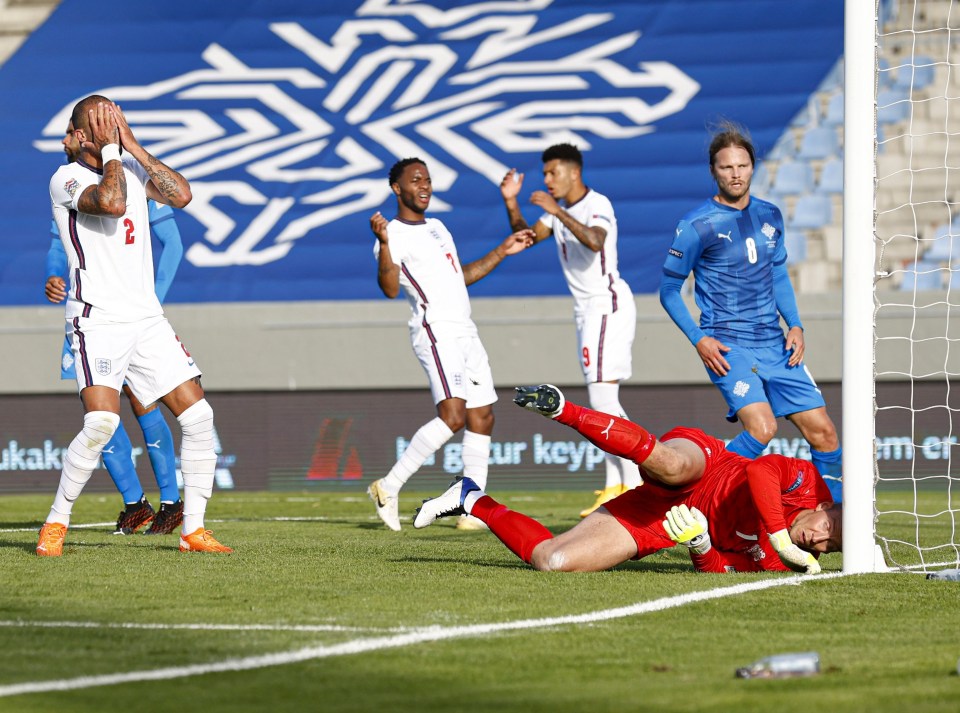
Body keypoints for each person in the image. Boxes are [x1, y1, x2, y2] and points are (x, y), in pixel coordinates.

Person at [37, 94, 230, 556]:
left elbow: (183, 195)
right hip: (96, 318)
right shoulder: (65, 177)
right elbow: (111, 201)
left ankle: (193, 530)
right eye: (102, 123)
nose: (111, 128)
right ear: (84, 135)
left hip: (145, 318)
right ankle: (56, 522)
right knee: (102, 421)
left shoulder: (131, 166)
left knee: (199, 417)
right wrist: (110, 153)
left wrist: (133, 147)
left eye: (115, 121)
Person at [415, 384, 841, 574]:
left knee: (553, 561)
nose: (818, 544)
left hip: (666, 521)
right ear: (824, 508)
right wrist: (781, 535)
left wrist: (701, 545)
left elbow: (721, 568)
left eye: (829, 548)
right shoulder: (808, 484)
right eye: (827, 530)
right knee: (672, 466)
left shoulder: (783, 562)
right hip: (706, 465)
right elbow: (760, 470)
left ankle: (471, 499)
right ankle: (565, 410)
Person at [658, 122, 843, 502]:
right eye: (727, 167)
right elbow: (669, 290)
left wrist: (795, 325)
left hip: (775, 344)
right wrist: (699, 339)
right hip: (728, 346)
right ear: (714, 171)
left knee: (824, 432)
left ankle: (834, 515)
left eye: (742, 166)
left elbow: (777, 273)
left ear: (752, 167)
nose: (735, 174)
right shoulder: (697, 225)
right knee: (762, 427)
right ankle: (707, 500)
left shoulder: (770, 215)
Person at [367, 157, 534, 531]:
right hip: (436, 330)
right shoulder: (391, 235)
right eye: (415, 180)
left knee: (483, 416)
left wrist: (502, 250)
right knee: (454, 416)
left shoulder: (439, 227)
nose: (424, 186)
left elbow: (462, 278)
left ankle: (472, 508)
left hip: (465, 329)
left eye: (427, 179)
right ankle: (388, 486)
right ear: (397, 188)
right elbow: (390, 289)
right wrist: (383, 243)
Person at [499, 144, 639, 517]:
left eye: (552, 173)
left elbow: (596, 241)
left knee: (603, 401)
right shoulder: (558, 212)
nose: (547, 180)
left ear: (573, 173)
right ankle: (615, 487)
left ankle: (637, 480)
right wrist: (512, 203)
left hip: (607, 305)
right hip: (588, 311)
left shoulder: (597, 204)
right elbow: (527, 236)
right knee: (602, 400)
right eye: (545, 174)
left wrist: (556, 210)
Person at [45, 198, 184, 536]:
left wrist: (152, 300)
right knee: (98, 411)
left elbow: (174, 245)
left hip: (132, 317)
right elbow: (58, 245)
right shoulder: (68, 187)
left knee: (142, 400)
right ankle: (136, 505)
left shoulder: (132, 185)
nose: (66, 140)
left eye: (69, 138)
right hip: (91, 317)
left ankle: (171, 503)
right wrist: (52, 275)